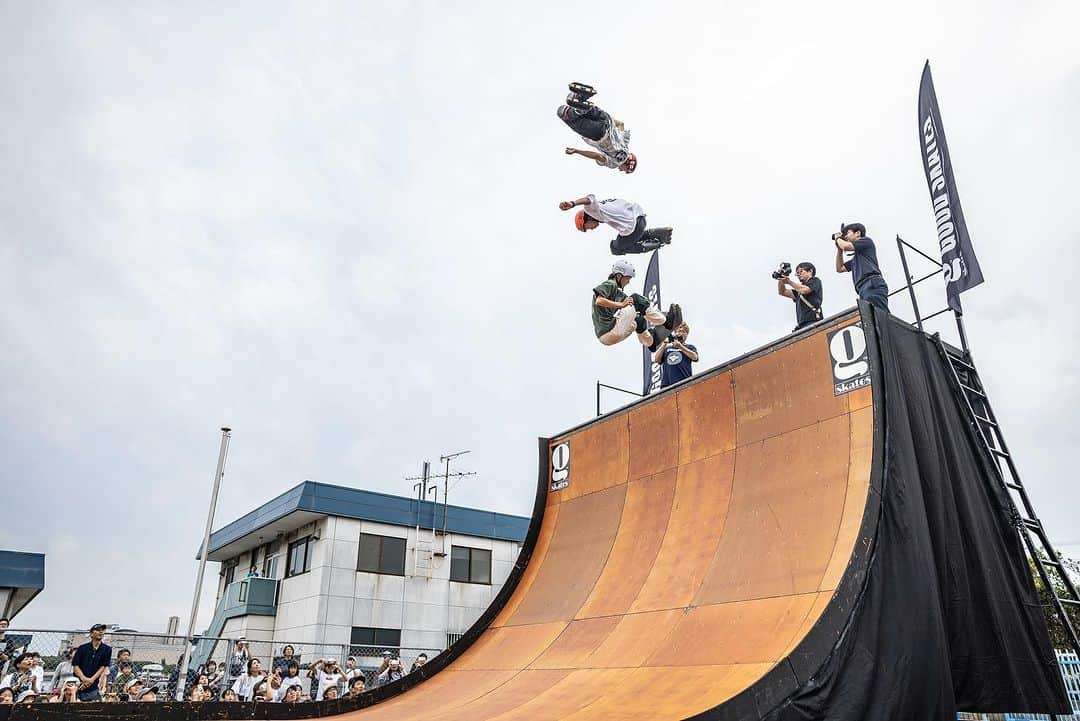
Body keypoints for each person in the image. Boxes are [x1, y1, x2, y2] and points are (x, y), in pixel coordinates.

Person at [592, 259, 682, 348]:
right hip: (610, 329)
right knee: (636, 299)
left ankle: (650, 343)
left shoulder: (618, 294)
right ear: (619, 276)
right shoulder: (610, 284)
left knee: (638, 318)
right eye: (627, 278)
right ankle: (666, 322)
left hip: (605, 338)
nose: (628, 282)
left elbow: (640, 309)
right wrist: (621, 305)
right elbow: (599, 301)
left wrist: (663, 313)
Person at [557, 82, 637, 174]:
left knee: (574, 101)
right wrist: (577, 151)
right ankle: (578, 111)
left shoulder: (626, 141)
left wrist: (608, 122)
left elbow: (621, 124)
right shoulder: (615, 163)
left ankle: (581, 98)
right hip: (597, 134)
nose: (620, 170)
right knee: (562, 112)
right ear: (628, 164)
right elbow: (597, 156)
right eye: (624, 170)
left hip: (606, 119)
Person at [559, 195, 672, 256]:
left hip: (632, 227)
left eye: (587, 227)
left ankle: (655, 244)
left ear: (586, 218)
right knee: (626, 239)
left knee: (615, 248)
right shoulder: (605, 205)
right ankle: (658, 233)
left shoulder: (591, 210)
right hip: (640, 219)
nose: (591, 229)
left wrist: (572, 203)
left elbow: (589, 199)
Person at [833, 222, 888, 310]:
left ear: (858, 233)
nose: (845, 237)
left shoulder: (866, 241)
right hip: (862, 288)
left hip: (871, 283)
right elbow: (840, 268)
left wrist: (838, 238)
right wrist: (839, 249)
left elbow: (846, 247)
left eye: (847, 233)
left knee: (878, 314)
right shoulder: (857, 258)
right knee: (871, 318)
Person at [777, 261, 824, 330]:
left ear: (810, 271)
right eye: (797, 273)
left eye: (800, 271)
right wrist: (781, 277)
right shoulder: (799, 290)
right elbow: (782, 292)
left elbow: (805, 290)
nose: (798, 275)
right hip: (802, 324)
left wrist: (789, 282)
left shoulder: (815, 280)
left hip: (814, 322)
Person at [72, 624, 112, 701]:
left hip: (94, 686)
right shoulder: (82, 648)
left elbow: (103, 666)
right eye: (97, 630)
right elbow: (75, 665)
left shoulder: (107, 649)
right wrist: (83, 679)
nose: (101, 632)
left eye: (102, 630)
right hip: (78, 683)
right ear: (91, 634)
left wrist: (91, 680)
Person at [653, 322, 699, 389]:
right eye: (677, 331)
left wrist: (680, 347)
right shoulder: (667, 348)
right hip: (667, 385)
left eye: (682, 331)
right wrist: (664, 343)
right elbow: (656, 359)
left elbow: (695, 357)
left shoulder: (690, 347)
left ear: (686, 334)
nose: (679, 333)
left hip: (684, 382)